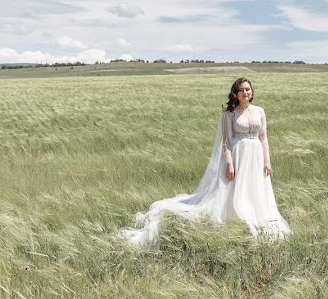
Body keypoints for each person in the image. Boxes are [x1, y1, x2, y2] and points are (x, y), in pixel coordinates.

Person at [121, 77, 290, 245]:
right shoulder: (230, 114)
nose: (245, 92)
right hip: (238, 155)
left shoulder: (259, 111)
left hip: (256, 156)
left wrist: (267, 161)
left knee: (255, 187)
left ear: (252, 91)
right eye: (241, 90)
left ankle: (256, 216)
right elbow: (225, 142)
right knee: (237, 187)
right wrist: (230, 163)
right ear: (235, 94)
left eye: (248, 89)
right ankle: (237, 217)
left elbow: (264, 138)